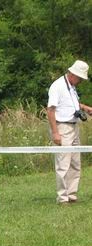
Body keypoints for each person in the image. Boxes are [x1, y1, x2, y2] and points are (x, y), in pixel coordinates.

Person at [47, 60, 92, 204]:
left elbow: (72, 104)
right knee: (63, 164)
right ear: (72, 74)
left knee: (75, 163)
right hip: (62, 127)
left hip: (74, 126)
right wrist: (55, 133)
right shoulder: (58, 86)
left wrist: (85, 108)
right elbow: (51, 110)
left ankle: (72, 194)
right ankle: (62, 198)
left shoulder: (71, 86)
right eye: (79, 78)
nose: (80, 81)